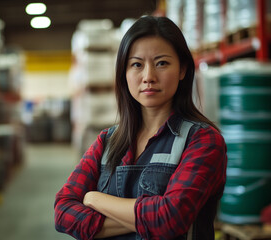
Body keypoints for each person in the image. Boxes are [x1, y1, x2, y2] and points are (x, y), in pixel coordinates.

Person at [54, 15, 227, 240]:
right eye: (137, 64)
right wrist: (147, 219)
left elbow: (169, 219)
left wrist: (93, 199)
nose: (148, 77)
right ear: (124, 73)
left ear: (183, 69)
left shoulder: (203, 141)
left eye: (161, 63)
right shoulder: (107, 141)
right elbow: (62, 212)